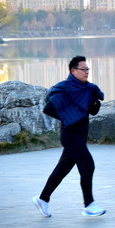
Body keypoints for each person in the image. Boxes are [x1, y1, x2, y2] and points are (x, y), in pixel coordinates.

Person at [32, 55, 105, 218]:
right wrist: (68, 115)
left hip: (81, 134)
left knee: (62, 169)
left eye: (88, 69)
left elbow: (93, 111)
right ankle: (89, 205)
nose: (87, 72)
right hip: (70, 135)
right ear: (73, 71)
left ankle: (42, 199)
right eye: (83, 69)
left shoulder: (89, 89)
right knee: (88, 165)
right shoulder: (64, 88)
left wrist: (95, 104)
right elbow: (48, 109)